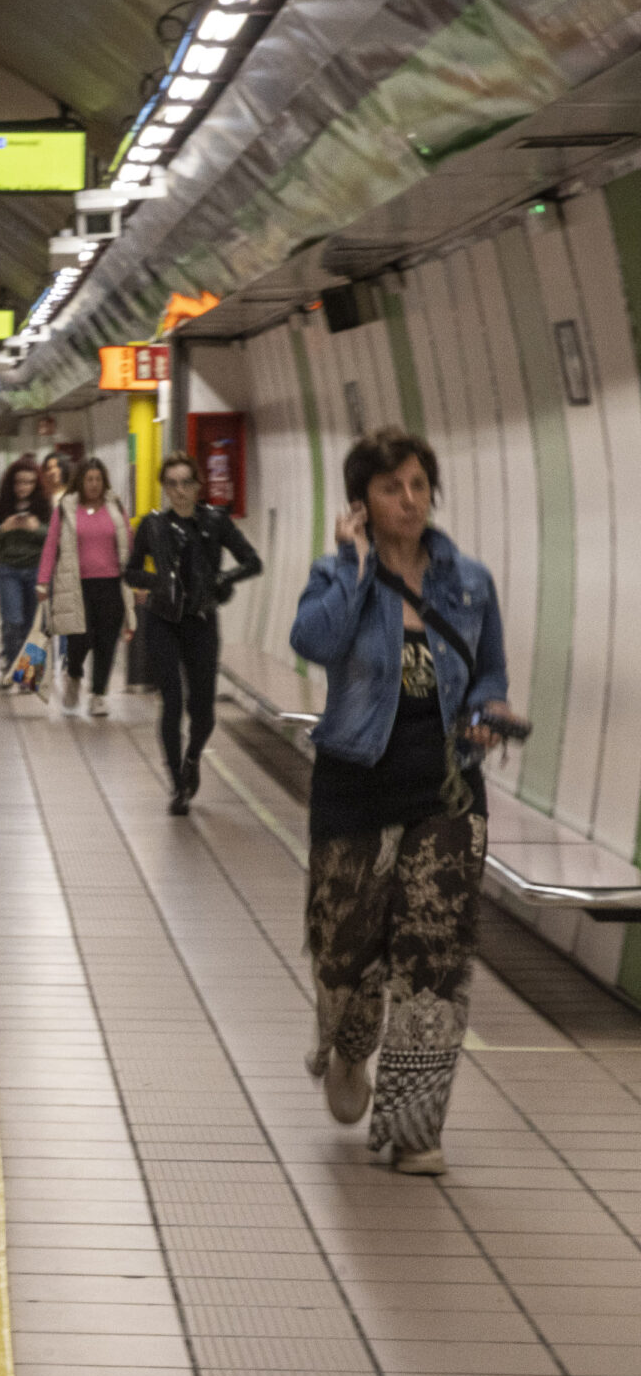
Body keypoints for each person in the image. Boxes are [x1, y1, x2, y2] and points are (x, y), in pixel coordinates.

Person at [290, 428, 520, 1175]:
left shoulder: (469, 581)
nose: (410, 499)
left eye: (419, 484)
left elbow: (490, 671)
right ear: (362, 501)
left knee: (435, 956)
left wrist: (489, 710)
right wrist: (356, 566)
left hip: (446, 788)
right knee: (345, 952)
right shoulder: (336, 575)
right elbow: (313, 642)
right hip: (354, 784)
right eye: (392, 487)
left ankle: (417, 1128)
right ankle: (350, 1045)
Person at [126, 452, 261, 814]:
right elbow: (131, 571)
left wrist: (222, 579)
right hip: (163, 620)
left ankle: (192, 758)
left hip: (201, 621)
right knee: (171, 702)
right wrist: (158, 582)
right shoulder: (152, 526)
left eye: (186, 482)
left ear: (198, 485)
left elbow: (252, 561)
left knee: (203, 710)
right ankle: (177, 786)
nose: (180, 491)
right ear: (164, 487)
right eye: (172, 484)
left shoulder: (215, 522)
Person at [37, 456, 129, 716]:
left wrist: (136, 579)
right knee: (80, 637)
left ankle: (98, 694)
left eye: (98, 479)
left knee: (106, 641)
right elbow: (51, 545)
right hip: (76, 584)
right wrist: (43, 580)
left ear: (104, 481)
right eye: (89, 479)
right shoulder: (66, 508)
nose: (94, 484)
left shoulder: (115, 506)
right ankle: (74, 674)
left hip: (111, 584)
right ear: (81, 481)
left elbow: (127, 542)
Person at [0, 457, 47, 689]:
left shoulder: (44, 508)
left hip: (36, 570)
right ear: (11, 483)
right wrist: (4, 528)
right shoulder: (0, 508)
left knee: (34, 624)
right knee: (12, 622)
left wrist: (36, 528)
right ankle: (11, 668)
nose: (23, 487)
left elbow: (55, 537)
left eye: (29, 482)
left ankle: (28, 676)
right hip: (8, 570)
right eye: (19, 482)